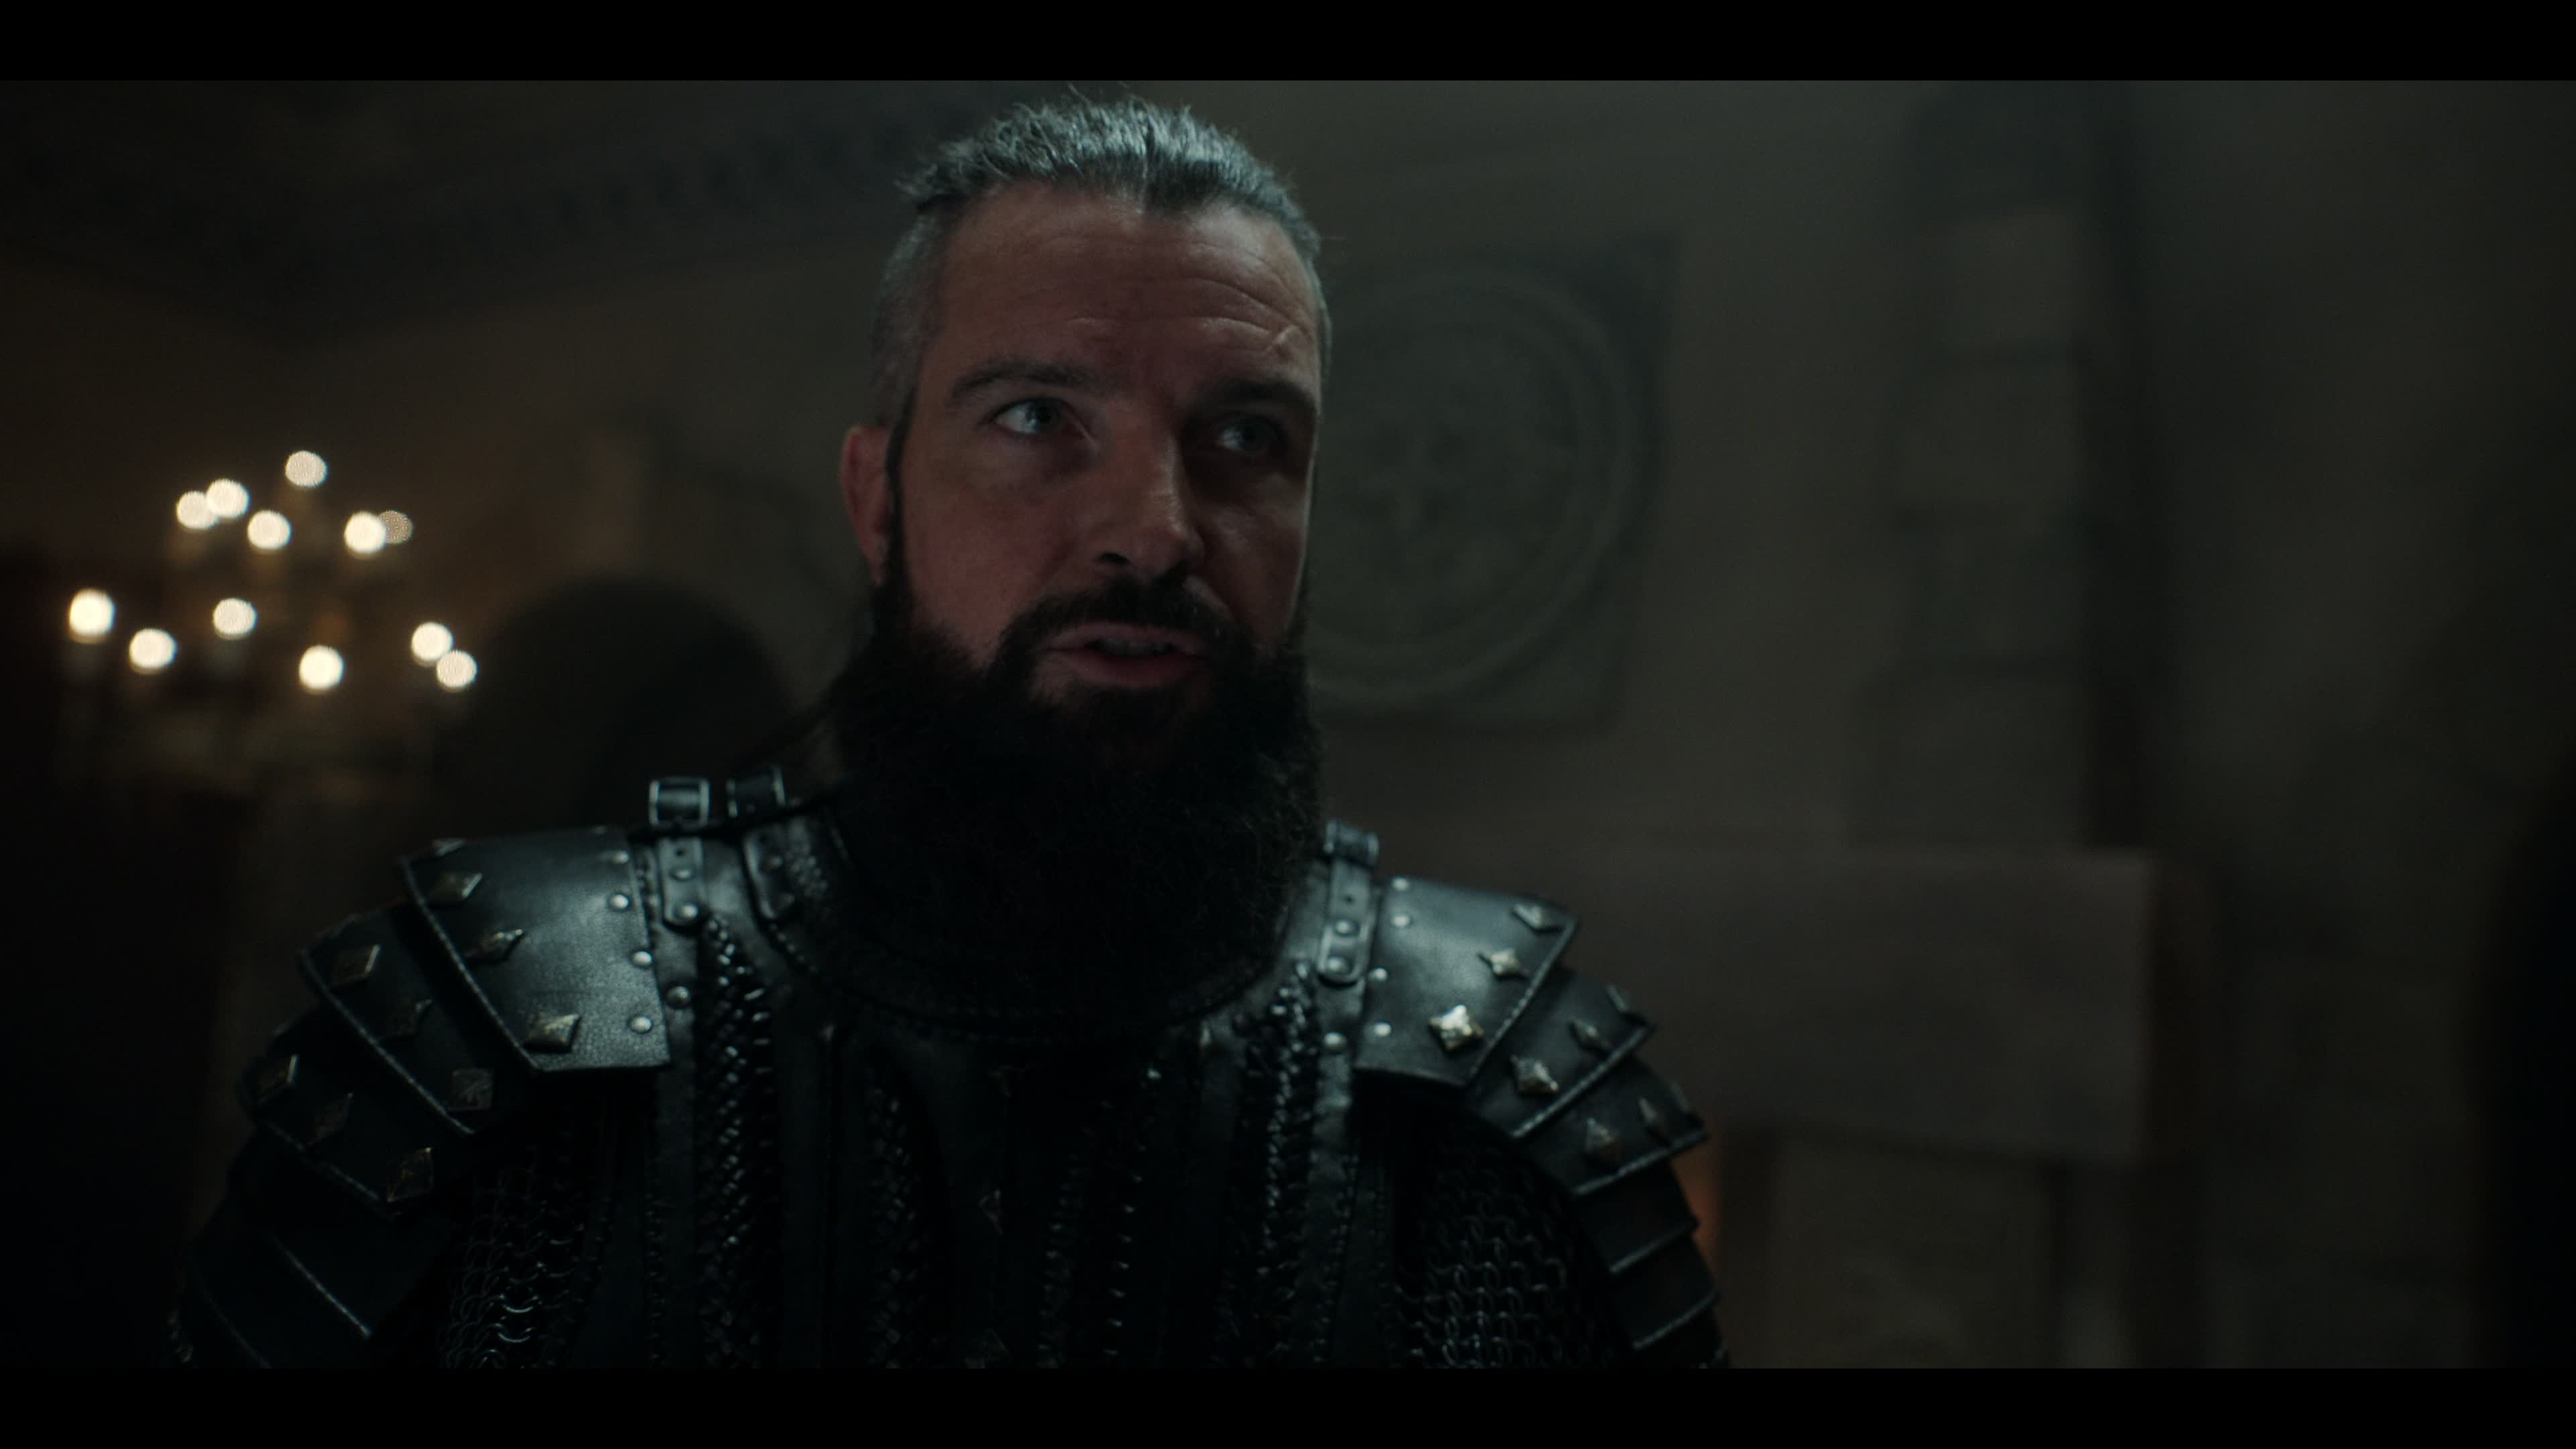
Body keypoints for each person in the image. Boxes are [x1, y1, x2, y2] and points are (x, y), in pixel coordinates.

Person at [169, 95, 1725, 1368]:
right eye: (1038, 419)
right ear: (876, 499)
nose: (1154, 531)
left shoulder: (1502, 1102)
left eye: (1248, 437)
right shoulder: (498, 1036)